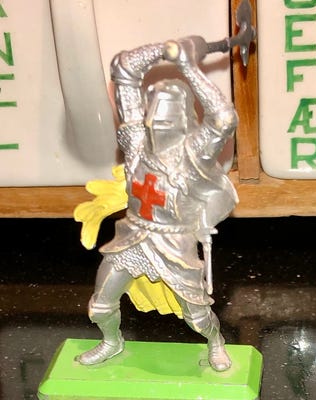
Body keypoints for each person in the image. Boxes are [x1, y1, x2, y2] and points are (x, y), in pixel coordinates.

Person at [75, 36, 238, 372]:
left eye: (165, 122)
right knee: (100, 306)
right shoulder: (136, 144)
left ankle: (216, 342)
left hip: (174, 242)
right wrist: (164, 50)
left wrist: (189, 67)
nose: (155, 126)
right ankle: (111, 342)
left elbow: (223, 119)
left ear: (182, 121)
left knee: (197, 316)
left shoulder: (194, 154)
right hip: (132, 236)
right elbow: (124, 68)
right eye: (153, 119)